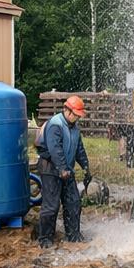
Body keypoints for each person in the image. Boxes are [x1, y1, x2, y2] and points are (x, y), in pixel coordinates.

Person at [36, 95, 92, 248]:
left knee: (73, 203)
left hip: (66, 170)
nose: (77, 118)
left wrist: (86, 167)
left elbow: (79, 149)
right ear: (67, 111)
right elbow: (55, 149)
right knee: (51, 205)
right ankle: (45, 239)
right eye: (76, 115)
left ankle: (73, 235)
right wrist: (61, 169)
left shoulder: (75, 128)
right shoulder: (56, 125)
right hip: (50, 168)